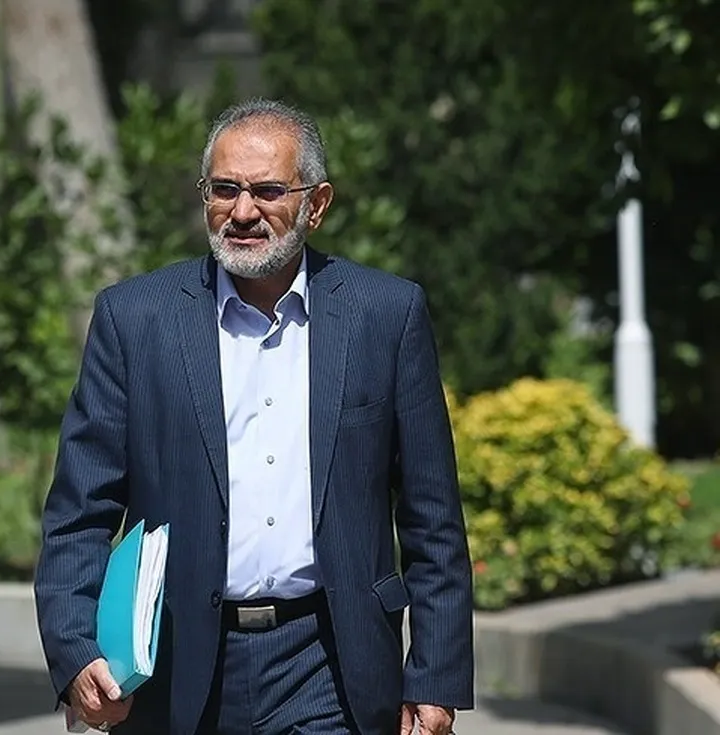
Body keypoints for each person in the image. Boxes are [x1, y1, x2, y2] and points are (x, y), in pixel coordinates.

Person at [33, 97, 474, 735]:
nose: (242, 212)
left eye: (268, 191)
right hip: (179, 667)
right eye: (224, 189)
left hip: (330, 666)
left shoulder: (385, 316)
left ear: (316, 205)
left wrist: (434, 677)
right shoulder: (135, 320)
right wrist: (77, 649)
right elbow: (79, 510)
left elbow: (433, 519)